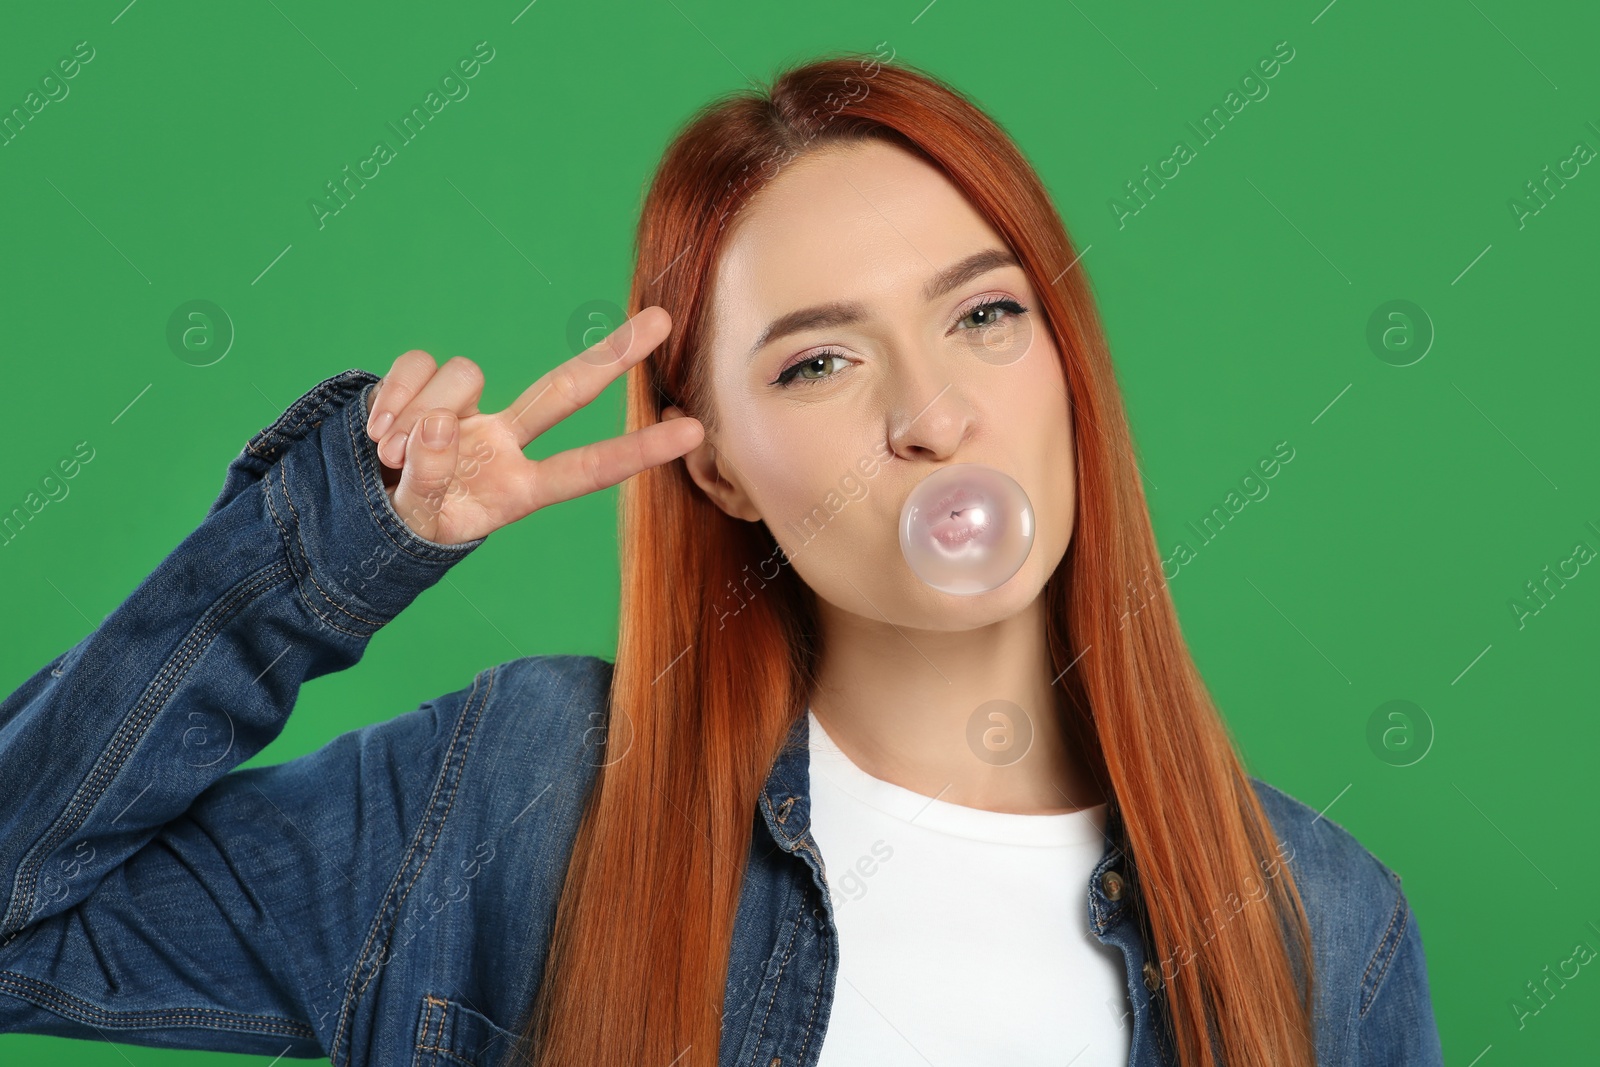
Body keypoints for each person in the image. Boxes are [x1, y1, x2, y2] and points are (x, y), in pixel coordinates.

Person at [0, 53, 1442, 1067]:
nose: (935, 415)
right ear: (720, 466)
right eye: (819, 361)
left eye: (986, 316)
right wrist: (326, 561)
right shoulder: (521, 796)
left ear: (1067, 359)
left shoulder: (1324, 926)